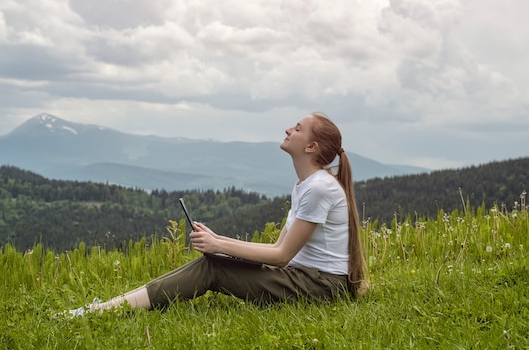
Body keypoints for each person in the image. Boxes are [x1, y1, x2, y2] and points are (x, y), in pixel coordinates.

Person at [66, 113, 367, 316]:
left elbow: (281, 256)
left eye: (297, 129)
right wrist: (218, 243)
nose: (288, 130)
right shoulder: (306, 185)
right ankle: (111, 305)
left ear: (311, 146)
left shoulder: (319, 189)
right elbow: (275, 250)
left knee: (214, 268)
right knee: (214, 262)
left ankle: (107, 310)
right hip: (307, 279)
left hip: (323, 288)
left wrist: (220, 245)